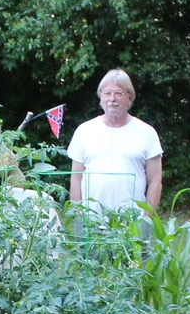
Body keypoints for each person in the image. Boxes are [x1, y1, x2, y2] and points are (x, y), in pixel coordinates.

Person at [67, 69, 163, 219]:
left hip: (133, 222)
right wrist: (78, 216)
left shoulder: (146, 133)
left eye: (119, 93)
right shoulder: (84, 131)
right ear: (100, 97)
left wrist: (146, 219)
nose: (112, 99)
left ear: (129, 97)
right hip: (92, 222)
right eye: (107, 93)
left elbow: (155, 181)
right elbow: (76, 178)